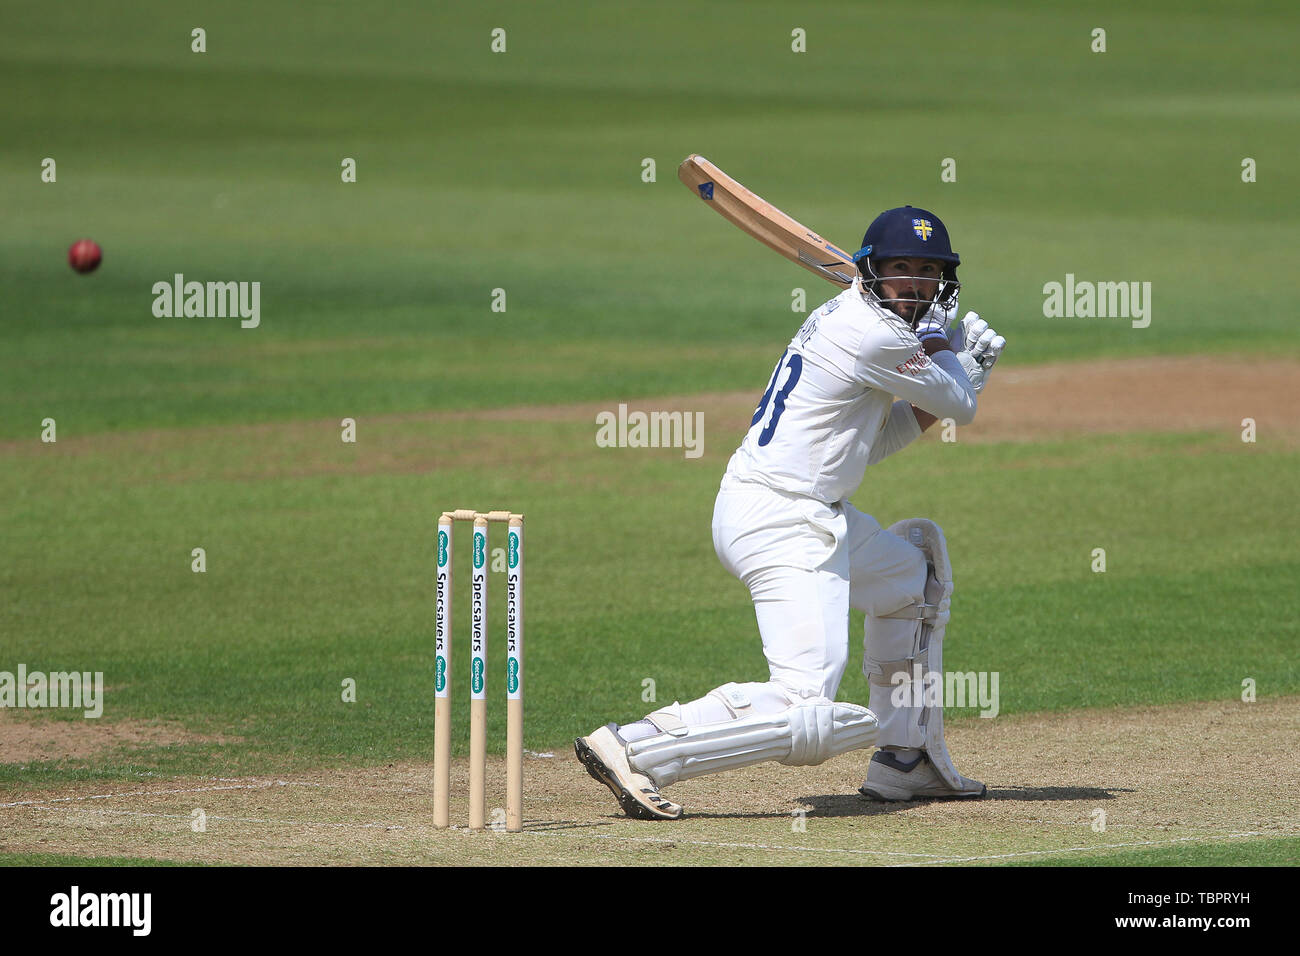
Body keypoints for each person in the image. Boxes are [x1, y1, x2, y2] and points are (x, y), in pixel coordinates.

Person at [575, 206, 1006, 819]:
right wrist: (953, 358)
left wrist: (954, 371)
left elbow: (876, 442)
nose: (914, 282)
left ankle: (904, 760)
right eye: (901, 268)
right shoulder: (876, 334)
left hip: (801, 506)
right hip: (783, 520)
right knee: (806, 701)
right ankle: (636, 745)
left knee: (913, 580)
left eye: (927, 271)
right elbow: (960, 406)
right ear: (872, 271)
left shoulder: (864, 323)